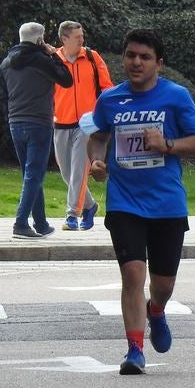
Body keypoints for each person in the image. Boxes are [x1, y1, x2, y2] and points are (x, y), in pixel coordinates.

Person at [87, 29, 195, 375]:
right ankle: (135, 351)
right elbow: (97, 137)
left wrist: (166, 145)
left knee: (164, 284)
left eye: (144, 57)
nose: (135, 62)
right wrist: (96, 161)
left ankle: (157, 310)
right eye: (130, 55)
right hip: (124, 202)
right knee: (132, 275)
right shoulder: (111, 100)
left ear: (159, 63)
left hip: (167, 203)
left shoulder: (176, 97)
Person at [0, 22, 73, 239]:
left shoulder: (6, 63)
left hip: (15, 123)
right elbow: (66, 79)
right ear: (40, 40)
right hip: (39, 122)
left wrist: (11, 116)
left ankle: (40, 223)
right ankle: (20, 224)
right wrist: (54, 54)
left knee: (31, 175)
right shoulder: (41, 60)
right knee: (34, 174)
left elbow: (0, 96)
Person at [54, 21, 113, 231]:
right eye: (78, 37)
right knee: (66, 172)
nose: (82, 40)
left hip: (87, 123)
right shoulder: (54, 60)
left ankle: (72, 215)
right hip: (60, 122)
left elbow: (107, 87)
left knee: (79, 170)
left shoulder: (92, 57)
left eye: (82, 36)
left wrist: (105, 114)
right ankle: (90, 206)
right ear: (65, 39)